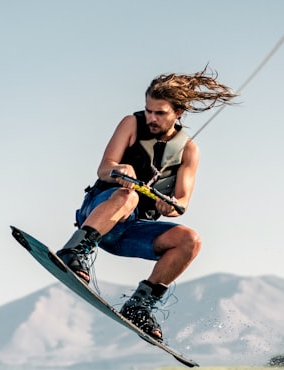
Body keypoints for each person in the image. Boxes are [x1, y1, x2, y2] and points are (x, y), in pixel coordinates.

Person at [56, 68, 237, 341]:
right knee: (128, 197)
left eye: (160, 113)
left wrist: (171, 206)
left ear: (178, 112)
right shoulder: (131, 123)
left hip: (130, 233)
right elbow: (104, 169)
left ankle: (140, 306)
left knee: (190, 240)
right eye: (149, 110)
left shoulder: (188, 150)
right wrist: (120, 170)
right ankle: (74, 251)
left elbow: (183, 202)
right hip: (100, 213)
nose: (151, 118)